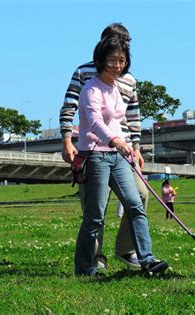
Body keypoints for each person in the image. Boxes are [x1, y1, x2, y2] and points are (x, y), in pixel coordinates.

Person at [73, 35, 168, 277]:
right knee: (95, 215)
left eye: (122, 61)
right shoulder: (90, 88)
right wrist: (115, 141)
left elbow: (121, 121)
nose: (117, 65)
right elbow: (94, 122)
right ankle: (85, 267)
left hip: (118, 156)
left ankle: (146, 260)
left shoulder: (117, 88)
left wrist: (129, 145)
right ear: (100, 59)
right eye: (112, 60)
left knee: (135, 204)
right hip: (95, 155)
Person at [60, 23, 148, 270]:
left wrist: (137, 147)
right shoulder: (84, 72)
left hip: (125, 151)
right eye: (117, 44)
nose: (121, 54)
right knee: (95, 207)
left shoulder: (130, 79)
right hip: (94, 149)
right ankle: (95, 259)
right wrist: (67, 139)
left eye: (127, 45)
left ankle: (126, 249)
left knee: (139, 195)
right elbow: (69, 106)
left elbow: (133, 115)